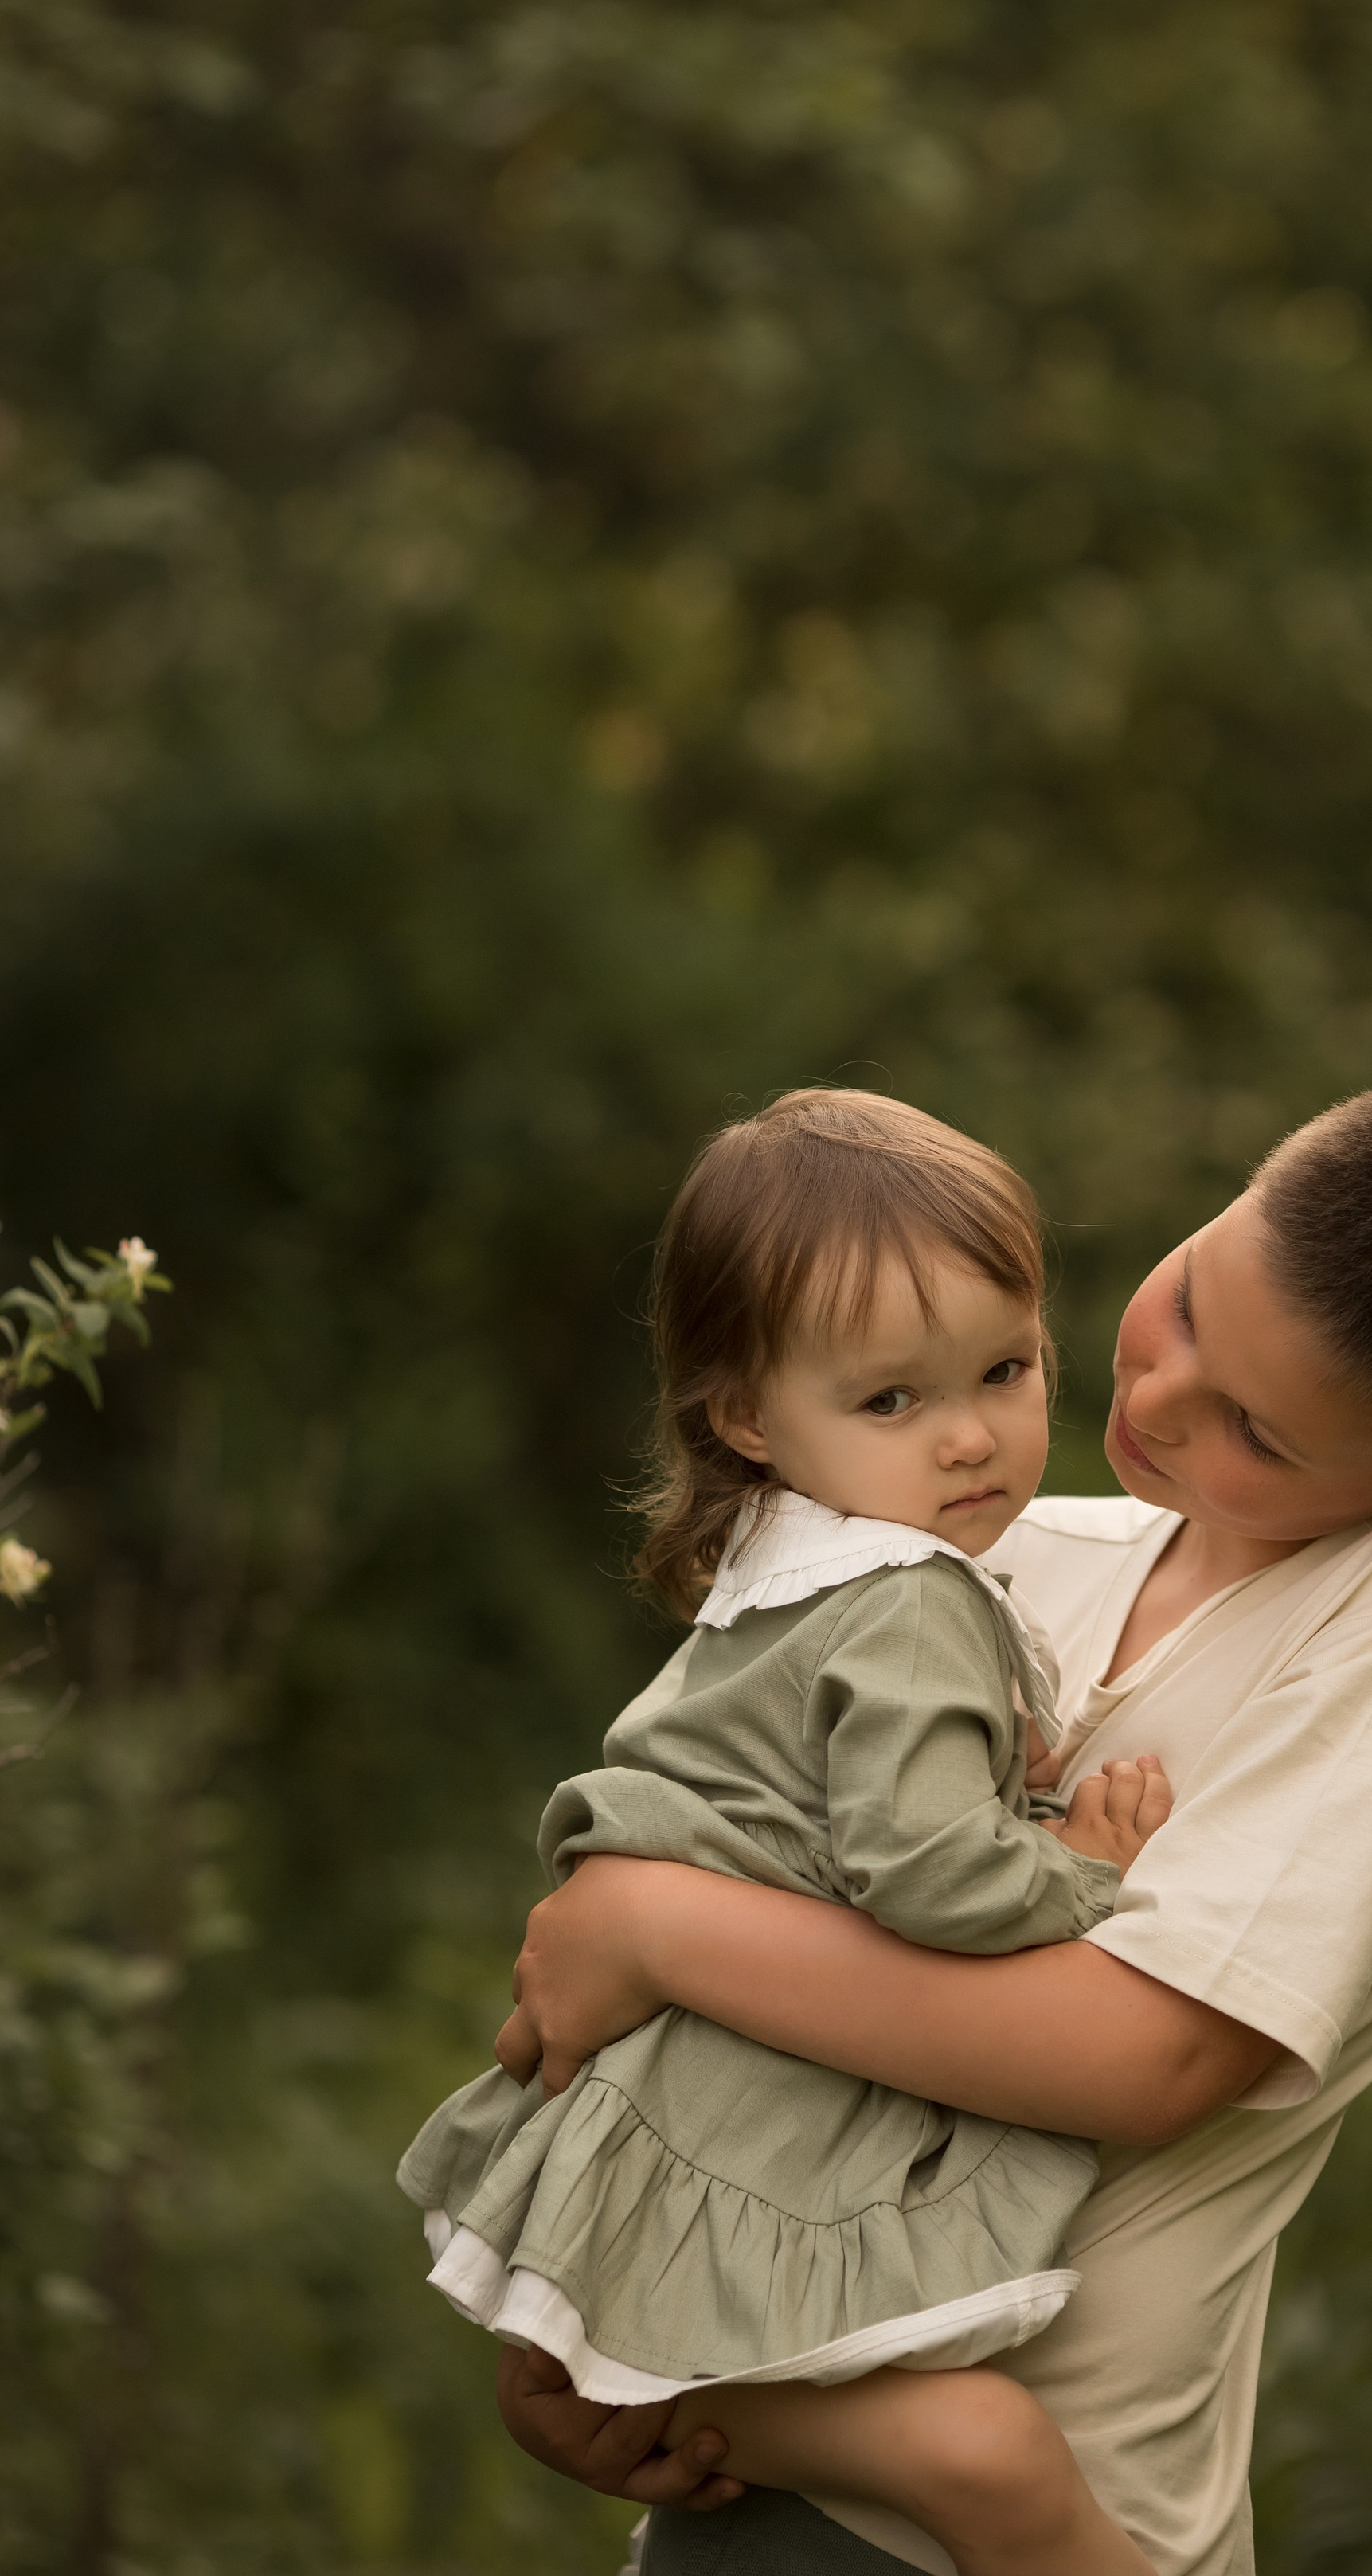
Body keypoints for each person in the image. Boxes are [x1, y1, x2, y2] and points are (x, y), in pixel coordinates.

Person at [487, 1071, 1372, 2576]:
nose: (1153, 1402)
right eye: (1186, 1302)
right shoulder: (991, 1551)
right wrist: (578, 2331)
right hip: (742, 2433)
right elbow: (723, 1833)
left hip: (1043, 2510)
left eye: (1257, 1430)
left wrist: (657, 1929)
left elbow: (1147, 2054)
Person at [401, 1089, 1178, 2576]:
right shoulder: (909, 1596)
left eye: (1006, 1368)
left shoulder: (785, 1565)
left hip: (684, 2060)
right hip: (755, 2086)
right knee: (988, 2454)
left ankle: (692, 2394)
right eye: (891, 1400)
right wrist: (1083, 1861)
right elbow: (929, 1869)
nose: (970, 1437)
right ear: (748, 1413)